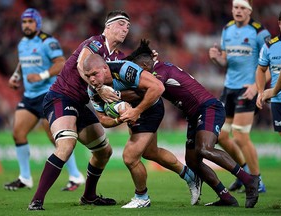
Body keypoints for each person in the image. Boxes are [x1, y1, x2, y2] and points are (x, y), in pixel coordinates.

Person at [124, 39, 260, 208]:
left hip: (209, 108)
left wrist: (114, 93)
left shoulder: (159, 71)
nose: (139, 76)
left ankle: (249, 180)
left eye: (139, 71)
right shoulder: (157, 69)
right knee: (193, 162)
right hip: (194, 115)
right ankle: (226, 197)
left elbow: (142, 92)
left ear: (145, 65)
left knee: (205, 149)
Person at [28, 10, 131, 211]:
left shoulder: (117, 56)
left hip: (80, 104)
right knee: (67, 144)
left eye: (127, 25)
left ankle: (89, 196)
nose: (125, 28)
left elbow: (132, 73)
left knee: (104, 152)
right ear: (107, 27)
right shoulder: (95, 43)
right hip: (60, 97)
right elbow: (81, 62)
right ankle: (37, 200)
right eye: (120, 23)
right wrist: (100, 89)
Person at [85, 54, 201, 208]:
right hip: (135, 112)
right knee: (151, 152)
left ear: (105, 68)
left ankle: (142, 197)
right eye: (88, 76)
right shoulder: (93, 90)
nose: (92, 79)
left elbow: (158, 87)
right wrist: (118, 120)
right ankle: (191, 176)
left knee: (130, 157)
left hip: (150, 108)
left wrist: (135, 111)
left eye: (95, 74)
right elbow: (103, 120)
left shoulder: (123, 69)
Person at [5, 8, 84, 192]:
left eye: (30, 22)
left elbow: (61, 63)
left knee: (55, 137)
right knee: (18, 133)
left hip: (48, 94)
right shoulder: (23, 43)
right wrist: (16, 75)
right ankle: (25, 178)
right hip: (30, 96)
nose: (26, 25)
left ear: (38, 23)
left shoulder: (48, 42)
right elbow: (22, 62)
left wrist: (41, 75)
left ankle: (75, 175)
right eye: (24, 22)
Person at [208, 0, 270, 193]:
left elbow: (274, 64)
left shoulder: (260, 33)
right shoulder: (227, 29)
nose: (238, 11)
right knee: (222, 135)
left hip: (248, 89)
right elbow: (226, 61)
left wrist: (256, 86)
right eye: (236, 7)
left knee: (241, 135)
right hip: (229, 89)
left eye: (242, 7)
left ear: (250, 10)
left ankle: (257, 180)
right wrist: (217, 59)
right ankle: (244, 174)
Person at [256, 8, 281, 141]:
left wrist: (273, 91)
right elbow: (261, 70)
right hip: (278, 101)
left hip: (275, 93)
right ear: (279, 23)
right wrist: (261, 92)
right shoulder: (269, 46)